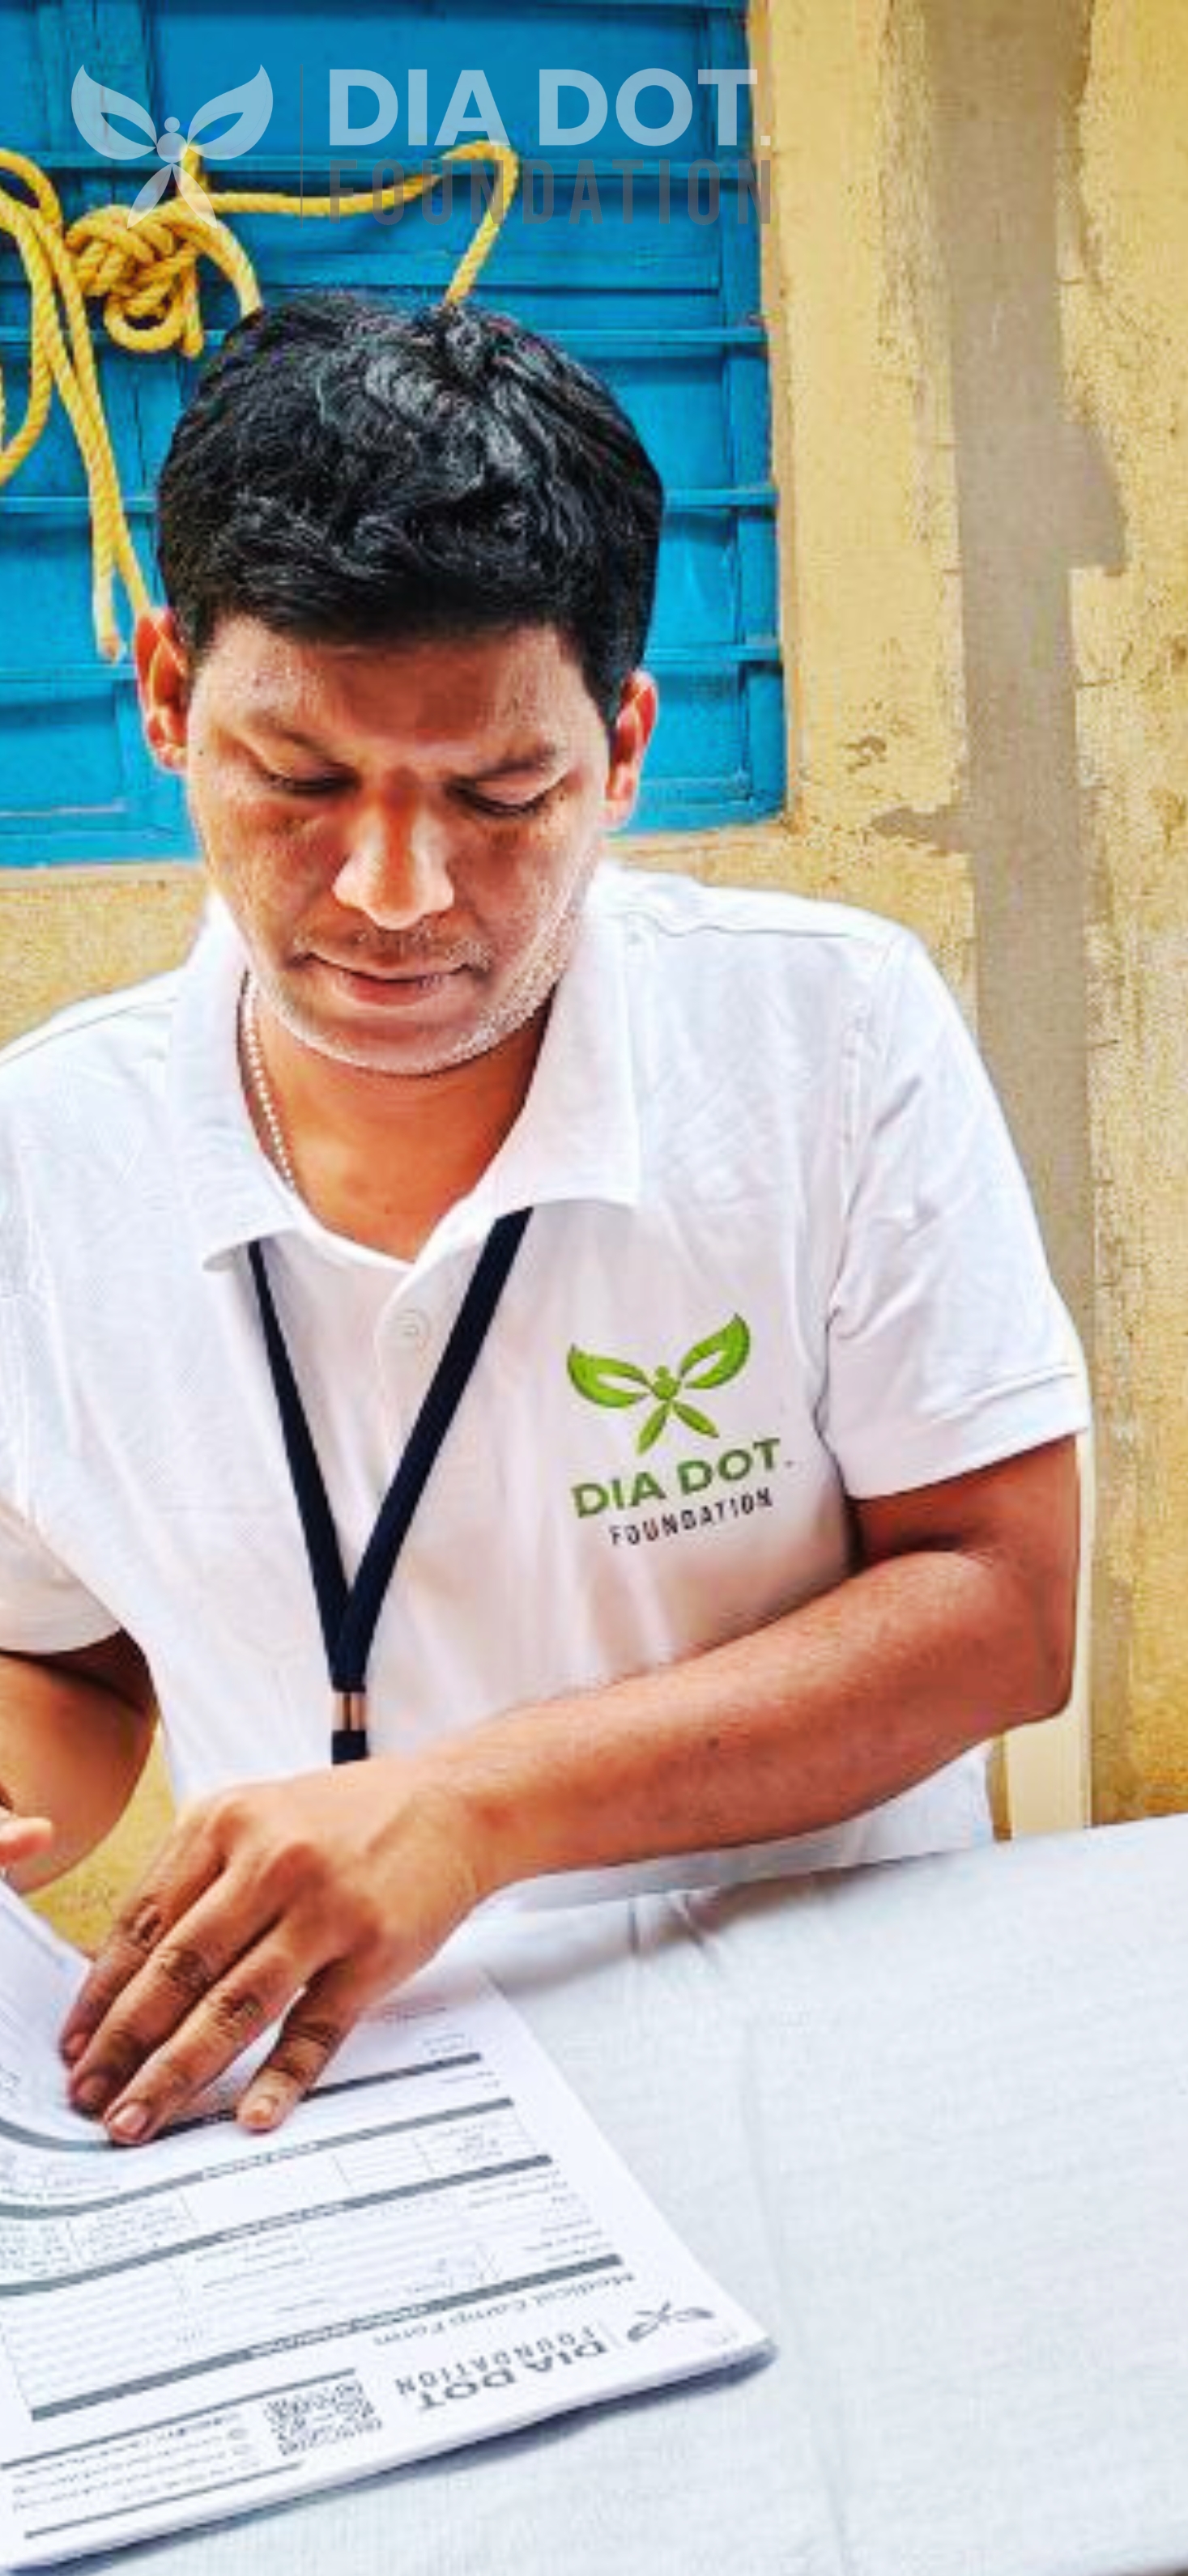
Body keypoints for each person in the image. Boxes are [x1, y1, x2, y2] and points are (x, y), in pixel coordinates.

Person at [0, 296, 1087, 2142]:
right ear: (169, 697)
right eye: (301, 780)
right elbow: (70, 1651)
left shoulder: (825, 1033)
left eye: (501, 795)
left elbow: (999, 1605)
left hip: (835, 2033)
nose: (394, 891)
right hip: (332, 2089)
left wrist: (474, 1807)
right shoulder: (44, 1155)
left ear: (623, 745)